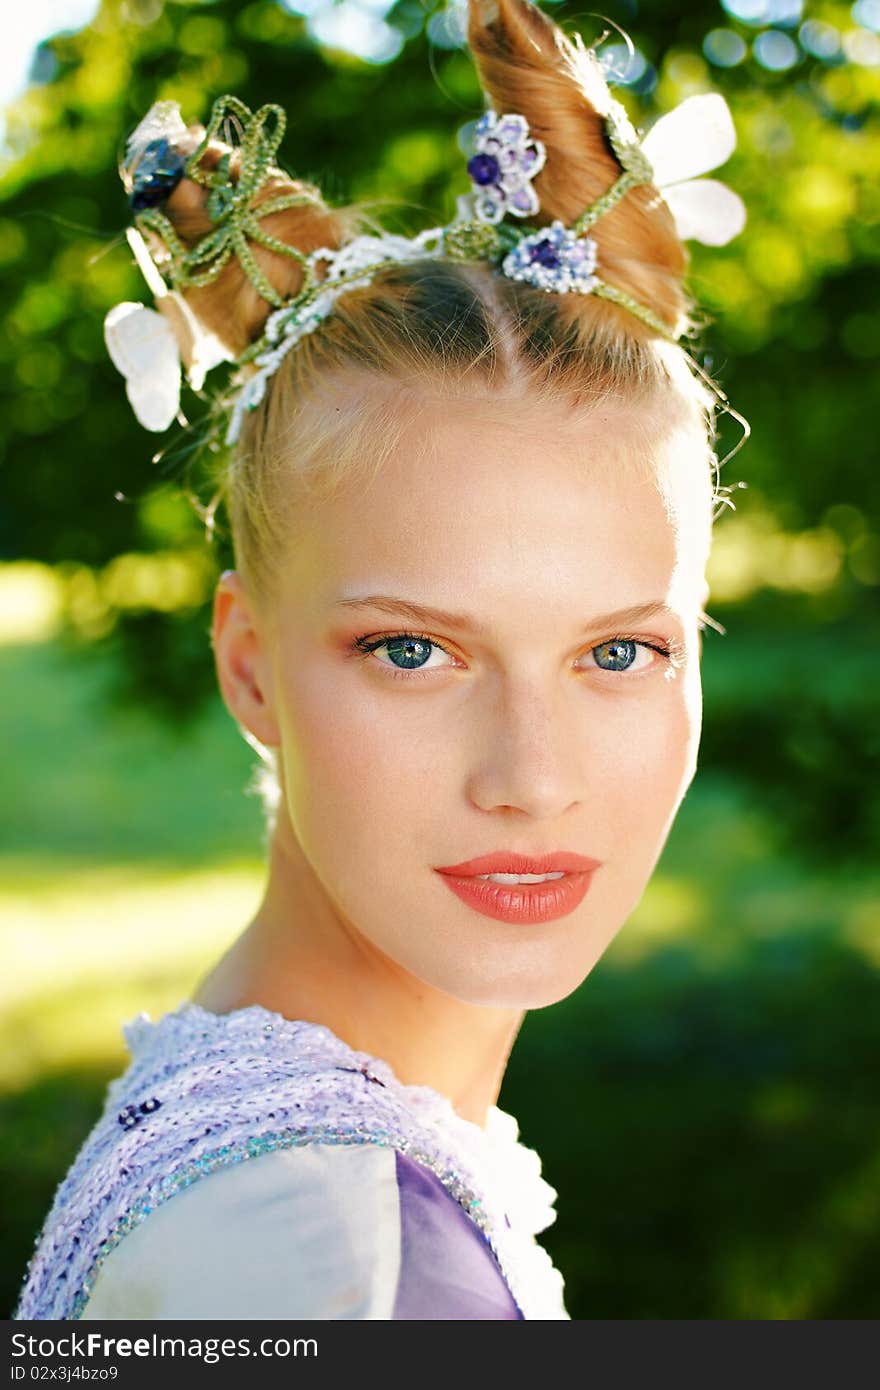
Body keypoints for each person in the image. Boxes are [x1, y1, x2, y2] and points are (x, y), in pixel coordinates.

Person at [14, 0, 748, 1321]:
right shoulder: (354, 1269)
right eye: (414, 648)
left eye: (621, 648)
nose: (532, 779)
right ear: (248, 665)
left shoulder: (266, 1159)